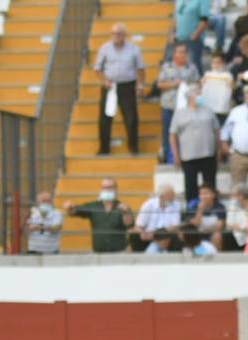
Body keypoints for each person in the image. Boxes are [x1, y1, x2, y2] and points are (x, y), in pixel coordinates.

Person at [94, 24, 145, 156]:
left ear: (124, 35)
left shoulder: (134, 49)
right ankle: (104, 148)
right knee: (105, 118)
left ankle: (133, 147)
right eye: (113, 34)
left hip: (127, 85)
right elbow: (97, 68)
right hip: (110, 86)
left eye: (118, 33)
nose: (115, 36)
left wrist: (140, 86)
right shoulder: (105, 48)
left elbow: (140, 68)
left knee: (131, 118)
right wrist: (104, 80)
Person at [170, 86, 221, 205]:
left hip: (208, 154)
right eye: (198, 94)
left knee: (210, 183)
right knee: (190, 185)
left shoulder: (209, 111)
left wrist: (218, 151)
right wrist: (175, 154)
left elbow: (217, 131)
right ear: (190, 97)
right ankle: (192, 210)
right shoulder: (179, 113)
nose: (200, 96)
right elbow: (172, 135)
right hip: (188, 156)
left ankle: (212, 207)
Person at [156, 43, 200, 163]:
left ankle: (186, 157)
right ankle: (167, 156)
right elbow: (159, 84)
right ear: (174, 54)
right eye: (179, 52)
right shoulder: (166, 67)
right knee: (167, 132)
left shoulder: (191, 67)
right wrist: (173, 83)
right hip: (169, 106)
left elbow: (197, 84)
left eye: (184, 52)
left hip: (186, 107)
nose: (181, 54)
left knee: (186, 133)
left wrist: (188, 85)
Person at [65, 177, 133, 253]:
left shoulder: (123, 207)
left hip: (119, 252)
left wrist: (125, 213)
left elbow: (129, 225)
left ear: (116, 189)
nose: (107, 190)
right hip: (98, 253)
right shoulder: (93, 206)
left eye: (110, 187)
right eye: (104, 188)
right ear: (101, 190)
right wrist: (69, 207)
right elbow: (74, 212)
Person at [132, 185, 183, 251]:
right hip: (149, 237)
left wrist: (156, 236)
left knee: (173, 237)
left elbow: (175, 226)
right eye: (171, 196)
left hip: (167, 236)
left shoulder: (176, 205)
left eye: (173, 195)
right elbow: (138, 226)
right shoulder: (148, 205)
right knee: (134, 236)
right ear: (161, 197)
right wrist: (144, 234)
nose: (173, 198)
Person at [187, 184, 227, 250]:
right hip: (198, 235)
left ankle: (216, 258)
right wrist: (200, 210)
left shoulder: (220, 207)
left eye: (206, 193)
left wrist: (208, 230)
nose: (203, 196)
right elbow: (195, 224)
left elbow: (220, 225)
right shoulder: (194, 207)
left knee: (217, 236)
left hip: (212, 234)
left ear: (213, 195)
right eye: (201, 194)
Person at [200, 52, 235, 124]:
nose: (216, 65)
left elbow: (232, 89)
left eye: (218, 62)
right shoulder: (207, 74)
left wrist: (231, 84)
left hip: (221, 109)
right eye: (213, 62)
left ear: (223, 63)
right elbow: (201, 89)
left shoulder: (228, 76)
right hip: (208, 107)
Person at [26, 190, 62, 255]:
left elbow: (57, 227)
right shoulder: (32, 212)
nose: (46, 203)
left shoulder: (57, 213)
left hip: (51, 250)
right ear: (38, 202)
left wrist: (40, 227)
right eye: (43, 201)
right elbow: (26, 227)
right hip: (34, 250)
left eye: (48, 201)